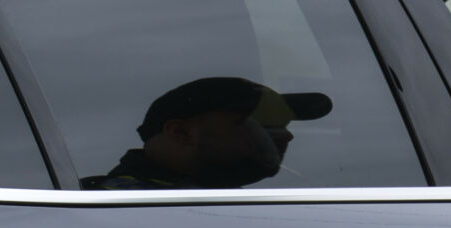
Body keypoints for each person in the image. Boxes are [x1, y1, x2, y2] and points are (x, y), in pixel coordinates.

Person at [83, 78, 333, 190]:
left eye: (284, 125)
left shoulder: (295, 187)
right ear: (181, 132)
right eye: (263, 125)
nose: (286, 137)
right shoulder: (129, 211)